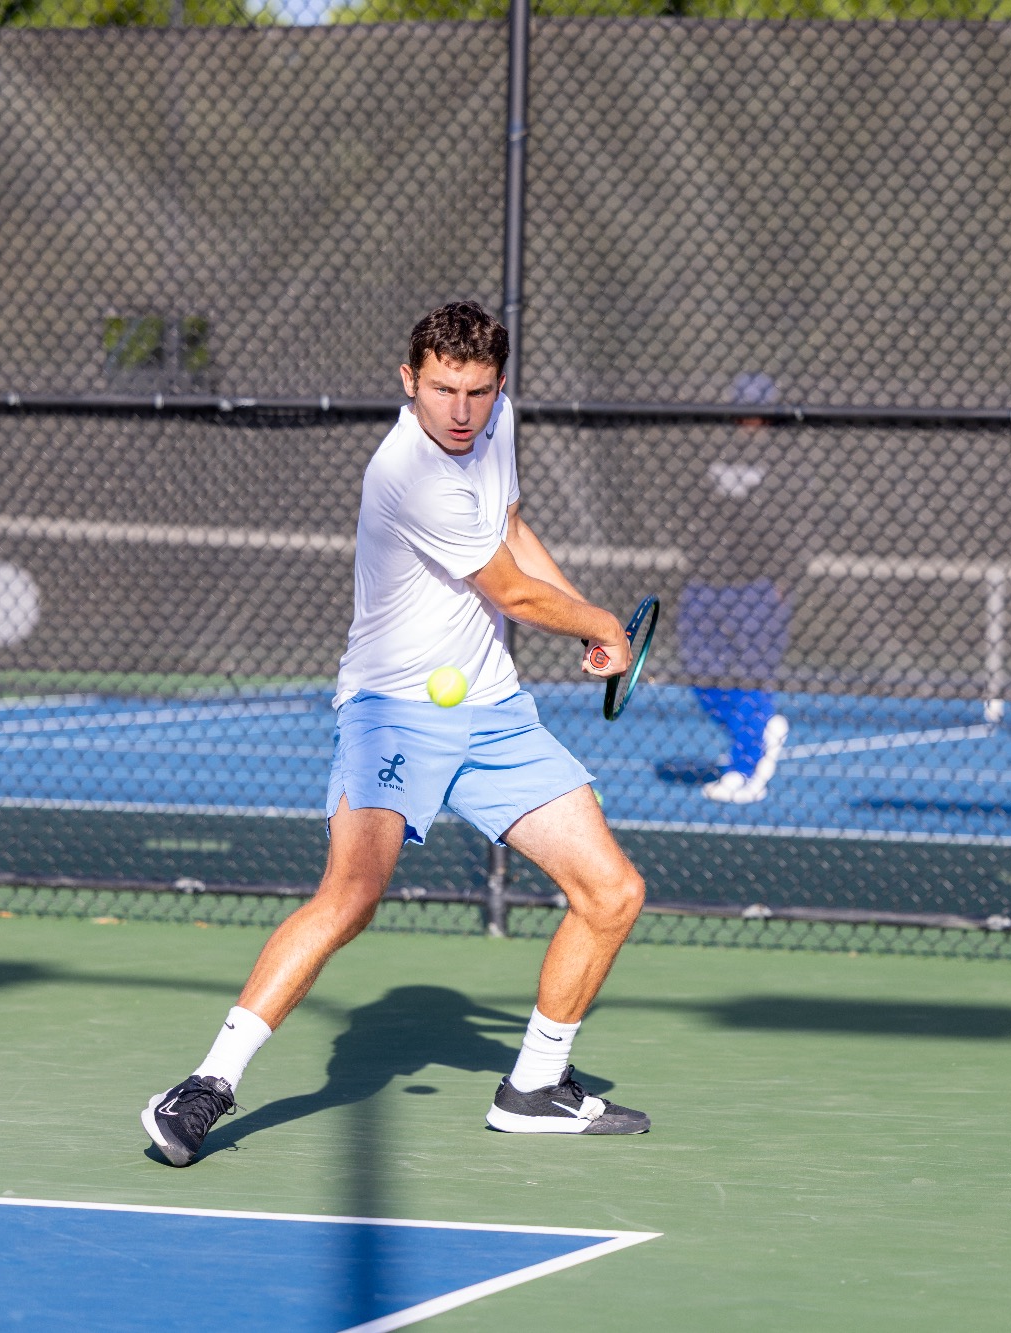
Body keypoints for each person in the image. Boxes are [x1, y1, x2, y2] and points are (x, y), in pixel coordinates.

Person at [141, 302, 651, 1167]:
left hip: (490, 710)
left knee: (613, 891)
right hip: (393, 709)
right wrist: (597, 618)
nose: (460, 410)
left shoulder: (497, 425)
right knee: (351, 898)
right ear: (408, 381)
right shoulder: (407, 472)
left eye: (478, 391)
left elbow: (514, 529)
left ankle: (534, 1087)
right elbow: (512, 590)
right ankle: (207, 1084)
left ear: (499, 387)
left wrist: (595, 633)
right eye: (442, 389)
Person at [681, 371, 793, 804]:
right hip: (704, 583)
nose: (751, 419)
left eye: (759, 410)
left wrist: (785, 579)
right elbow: (690, 506)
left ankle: (744, 770)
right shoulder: (712, 450)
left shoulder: (786, 460)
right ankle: (762, 730)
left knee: (749, 677)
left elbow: (797, 524)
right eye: (744, 408)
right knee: (699, 673)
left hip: (757, 588)